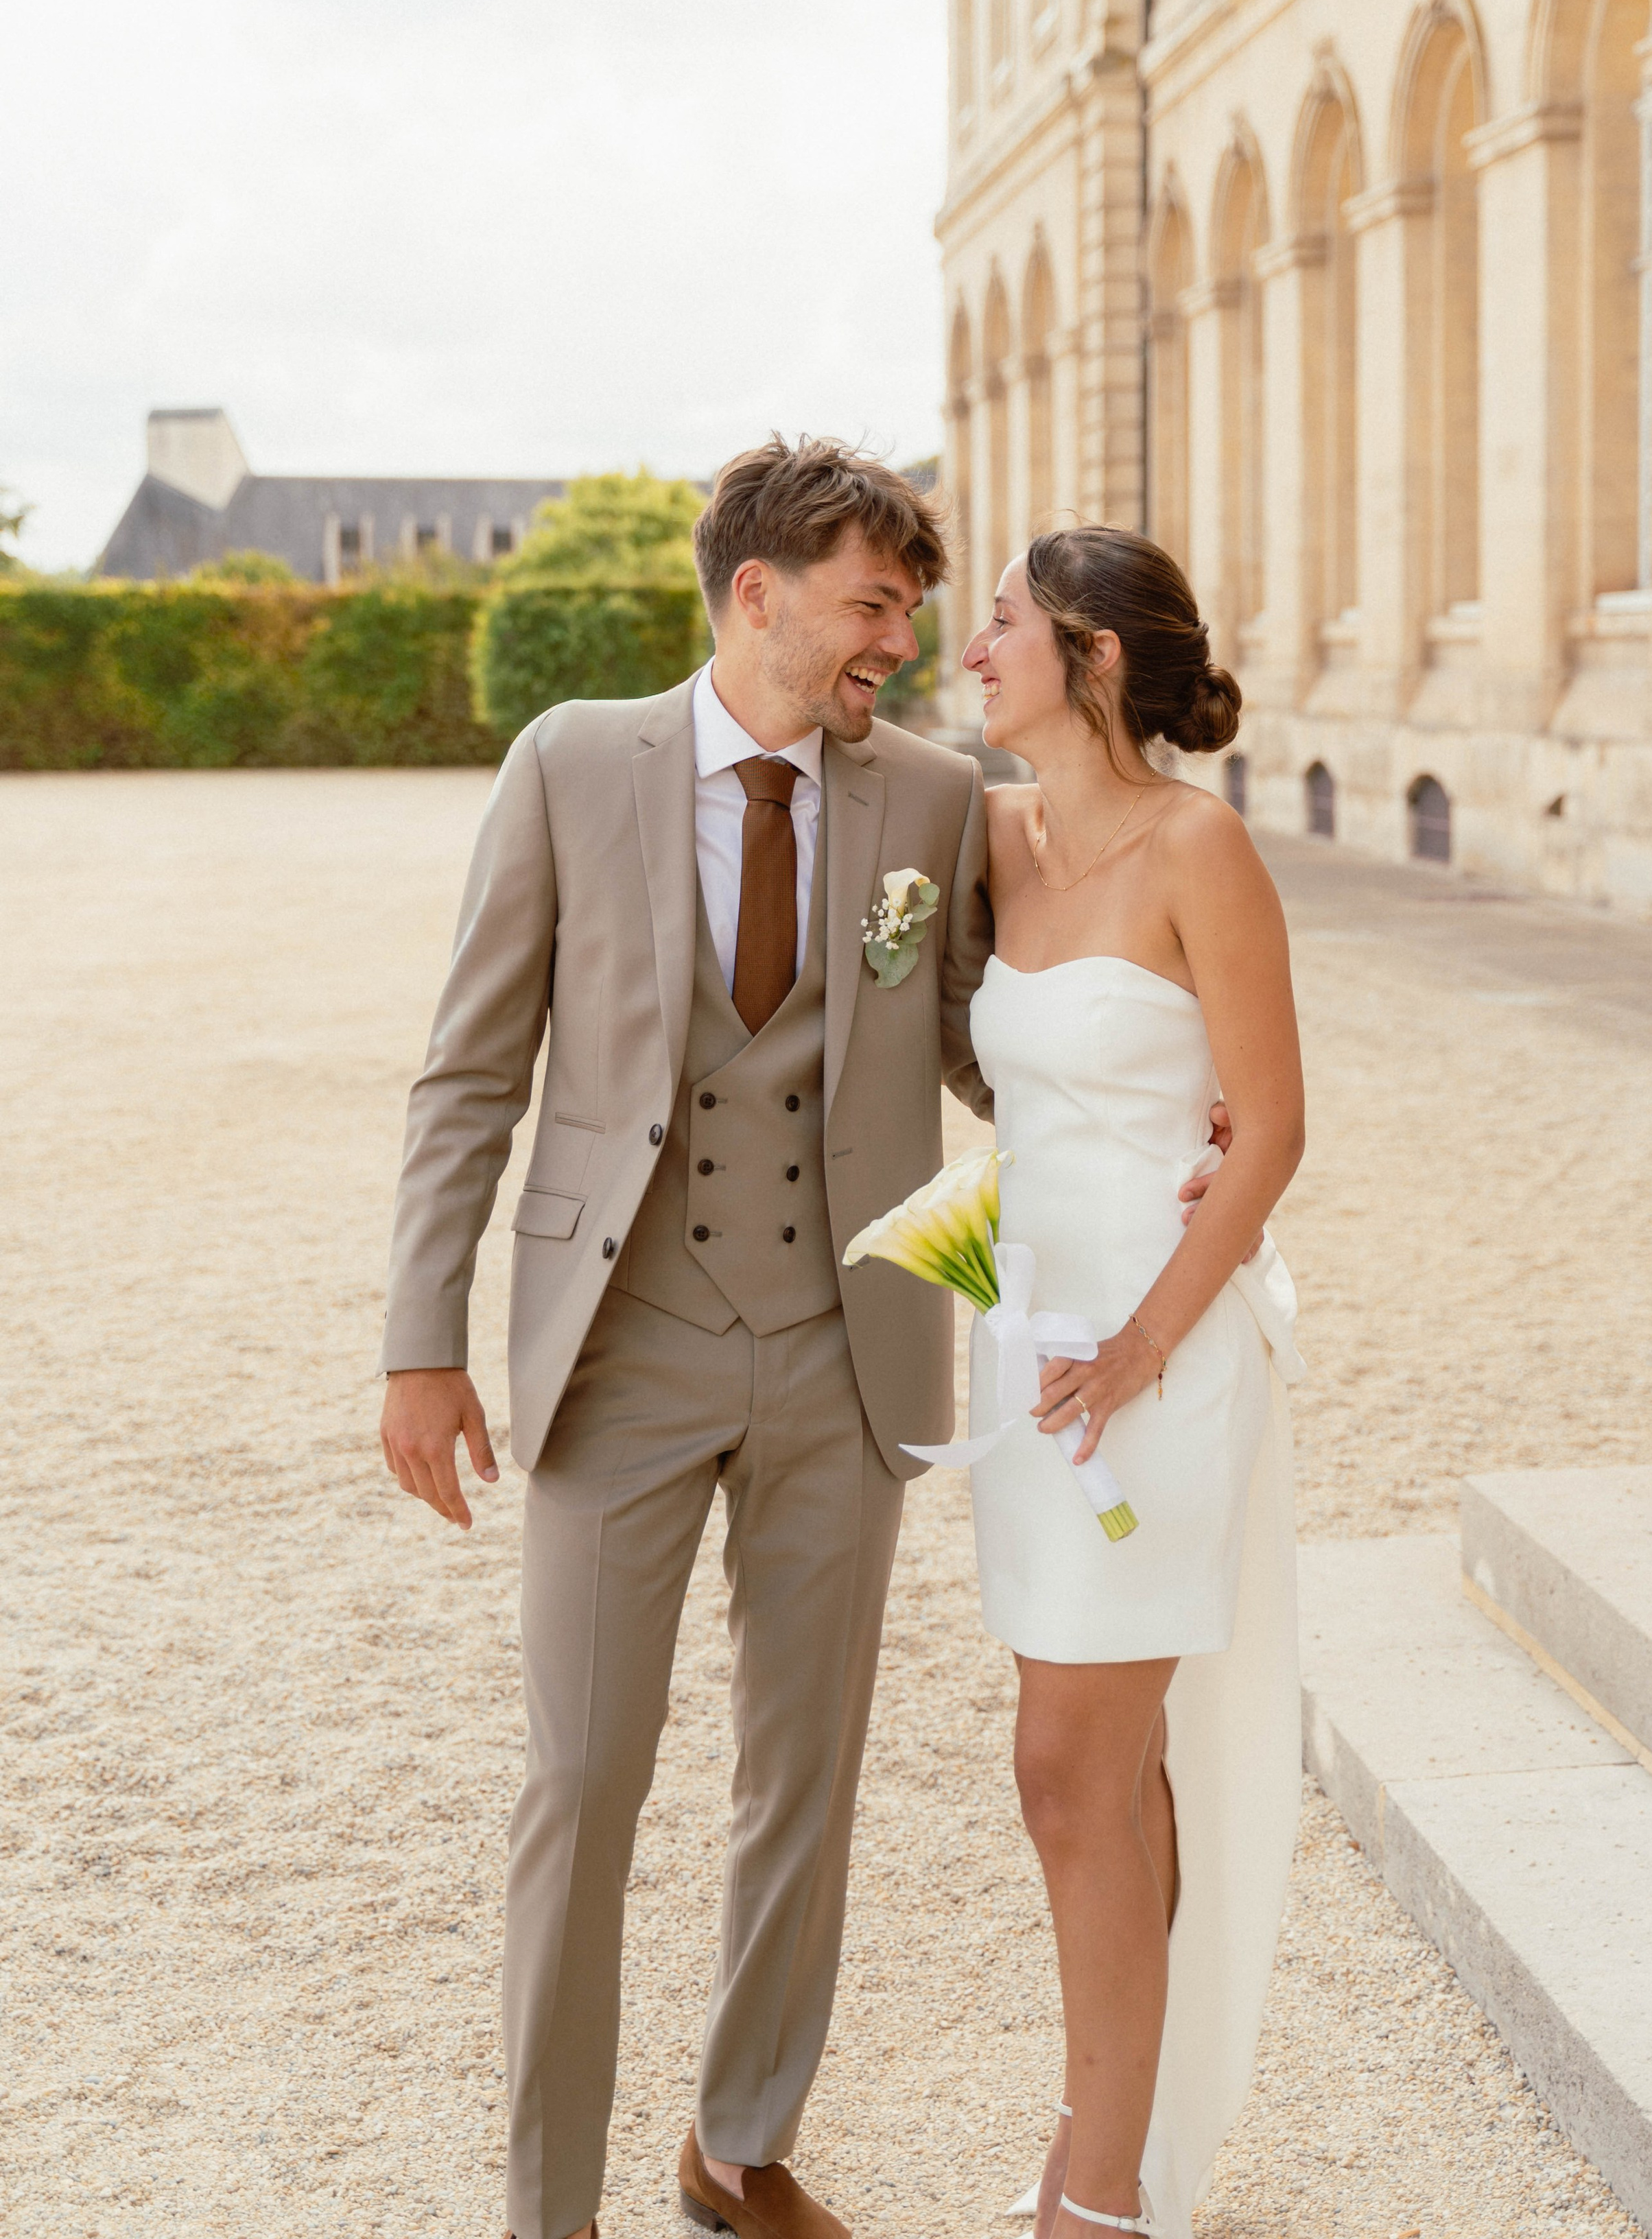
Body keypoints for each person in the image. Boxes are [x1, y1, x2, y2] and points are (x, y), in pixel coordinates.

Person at [375, 437, 1000, 2239]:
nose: (900, 637)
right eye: (876, 601)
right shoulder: (578, 761)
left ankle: (737, 2146)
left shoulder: (936, 801)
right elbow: (472, 1066)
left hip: (852, 1345)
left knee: (805, 1772)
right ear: (761, 592)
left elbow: (971, 1040)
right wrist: (421, 1344)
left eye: (912, 607)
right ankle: (545, 2209)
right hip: (620, 1351)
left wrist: (1139, 1105)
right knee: (581, 1777)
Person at [959, 526, 1306, 2239]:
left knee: (1065, 1772)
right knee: (1106, 1772)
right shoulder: (990, 840)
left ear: (1089, 656)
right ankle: (1124, 2141)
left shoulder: (1201, 847)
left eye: (1001, 621)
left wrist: (1147, 1344)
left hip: (1154, 1360)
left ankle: (1092, 2199)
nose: (969, 647)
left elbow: (1273, 1127)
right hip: (1030, 1352)